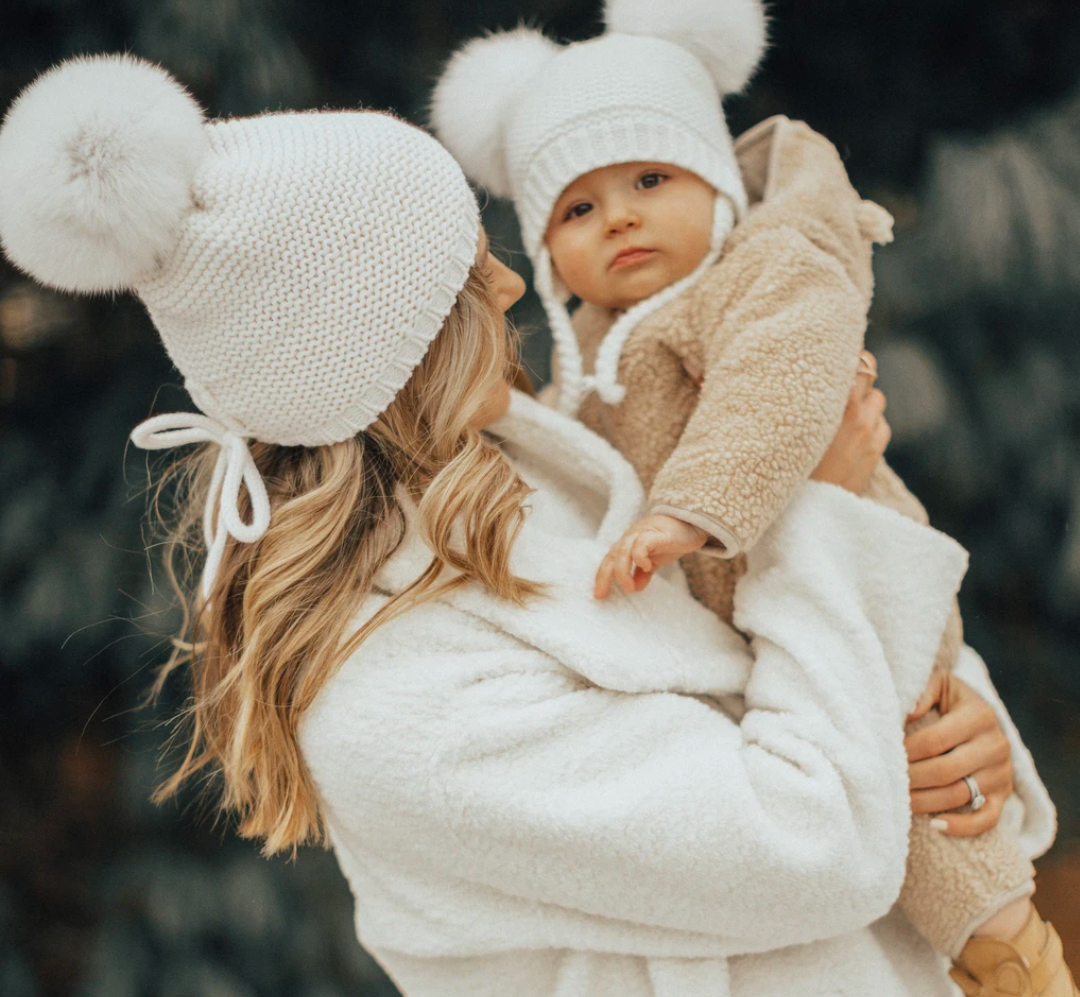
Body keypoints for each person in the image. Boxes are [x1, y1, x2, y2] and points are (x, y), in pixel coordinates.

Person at [0, 53, 1056, 997]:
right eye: (465, 274)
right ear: (388, 350)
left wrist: (964, 741)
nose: (513, 279)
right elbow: (810, 843)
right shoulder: (391, 695)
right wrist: (813, 507)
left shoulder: (547, 467)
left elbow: (801, 654)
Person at [430, 0, 1072, 995]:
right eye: (578, 210)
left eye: (648, 179)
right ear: (544, 254)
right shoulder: (582, 357)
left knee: (924, 789)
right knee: (885, 789)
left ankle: (1015, 956)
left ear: (719, 183)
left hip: (854, 593)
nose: (621, 217)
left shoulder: (763, 272)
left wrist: (690, 511)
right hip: (757, 653)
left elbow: (782, 384)